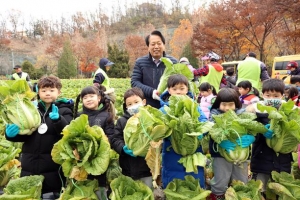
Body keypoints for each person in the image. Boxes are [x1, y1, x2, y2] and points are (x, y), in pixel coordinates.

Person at [5, 75, 74, 199]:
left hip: (53, 167)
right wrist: (12, 136)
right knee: (29, 194)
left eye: (52, 90)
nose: (48, 93)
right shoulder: (31, 109)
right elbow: (26, 136)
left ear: (59, 92)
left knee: (51, 194)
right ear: (38, 92)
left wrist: (59, 120)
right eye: (44, 90)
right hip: (29, 164)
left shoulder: (65, 110)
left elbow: (68, 132)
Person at [245, 78, 293, 198]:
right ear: (263, 95)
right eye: (268, 95)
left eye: (276, 95)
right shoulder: (255, 111)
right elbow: (249, 131)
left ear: (283, 95)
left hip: (282, 160)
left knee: (279, 190)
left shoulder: (290, 112)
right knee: (260, 188)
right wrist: (260, 131)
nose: (272, 99)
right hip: (261, 157)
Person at [159, 74, 207, 188]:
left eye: (182, 88)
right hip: (171, 152)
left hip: (193, 151)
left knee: (194, 178)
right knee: (173, 181)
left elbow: (205, 121)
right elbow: (158, 127)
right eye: (174, 89)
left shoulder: (194, 106)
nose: (178, 92)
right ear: (169, 90)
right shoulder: (164, 109)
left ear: (187, 90)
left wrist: (200, 133)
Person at [208, 88, 253, 200]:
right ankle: (218, 195)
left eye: (230, 104)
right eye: (223, 104)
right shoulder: (214, 115)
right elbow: (211, 130)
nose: (227, 108)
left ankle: (239, 195)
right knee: (221, 177)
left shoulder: (243, 114)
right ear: (218, 104)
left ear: (237, 104)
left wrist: (253, 136)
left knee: (241, 178)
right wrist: (220, 141)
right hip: (220, 153)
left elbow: (252, 128)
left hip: (241, 151)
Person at [74, 85, 115, 199]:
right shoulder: (79, 116)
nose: (89, 99)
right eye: (85, 97)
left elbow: (111, 136)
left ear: (99, 98)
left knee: (100, 186)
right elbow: (73, 136)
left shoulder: (107, 116)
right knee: (84, 184)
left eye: (92, 96)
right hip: (82, 158)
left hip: (100, 158)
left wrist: (103, 143)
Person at [110, 87, 152, 188]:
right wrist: (123, 148)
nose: (133, 106)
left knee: (148, 191)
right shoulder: (122, 121)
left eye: (136, 102)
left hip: (147, 167)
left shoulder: (151, 119)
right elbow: (115, 139)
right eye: (130, 104)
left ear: (144, 102)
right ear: (126, 106)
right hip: (128, 167)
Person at [131, 30, 177, 109]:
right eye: (153, 44)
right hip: (147, 106)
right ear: (148, 47)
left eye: (159, 43)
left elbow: (180, 82)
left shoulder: (173, 62)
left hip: (169, 106)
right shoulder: (140, 62)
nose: (156, 47)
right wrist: (151, 92)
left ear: (164, 45)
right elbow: (135, 82)